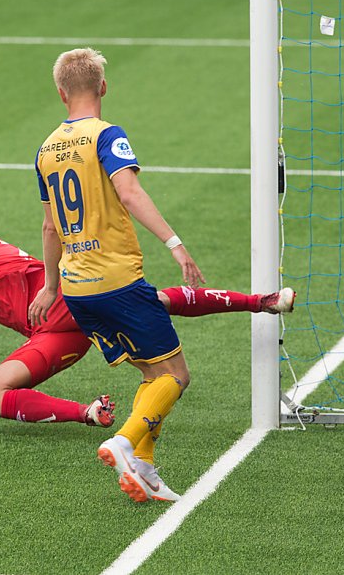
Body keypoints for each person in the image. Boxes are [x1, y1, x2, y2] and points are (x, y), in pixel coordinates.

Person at [0, 214, 295, 431]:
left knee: (158, 303)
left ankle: (261, 300)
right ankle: (89, 413)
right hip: (61, 335)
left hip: (75, 299)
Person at [29, 47, 251, 504]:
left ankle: (145, 469)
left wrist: (50, 285)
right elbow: (128, 192)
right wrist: (176, 244)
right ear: (103, 87)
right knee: (177, 376)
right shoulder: (107, 136)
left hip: (76, 289)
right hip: (117, 281)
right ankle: (124, 442)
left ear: (60, 93)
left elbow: (51, 226)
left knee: (153, 375)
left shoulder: (45, 150)